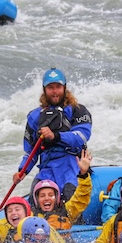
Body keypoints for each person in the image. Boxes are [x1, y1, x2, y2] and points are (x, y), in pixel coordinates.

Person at [13, 68, 93, 203]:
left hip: (72, 164)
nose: (55, 91)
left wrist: (56, 136)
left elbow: (82, 136)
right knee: (36, 195)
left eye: (58, 87)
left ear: (64, 88)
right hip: (47, 166)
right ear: (45, 90)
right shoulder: (34, 116)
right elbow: (31, 152)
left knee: (70, 194)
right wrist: (22, 171)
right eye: (50, 87)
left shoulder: (77, 110)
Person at [30, 149, 92, 231]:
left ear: (57, 198)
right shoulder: (31, 216)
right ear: (37, 200)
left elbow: (82, 197)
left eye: (51, 195)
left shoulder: (67, 211)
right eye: (42, 196)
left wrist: (83, 174)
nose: (46, 198)